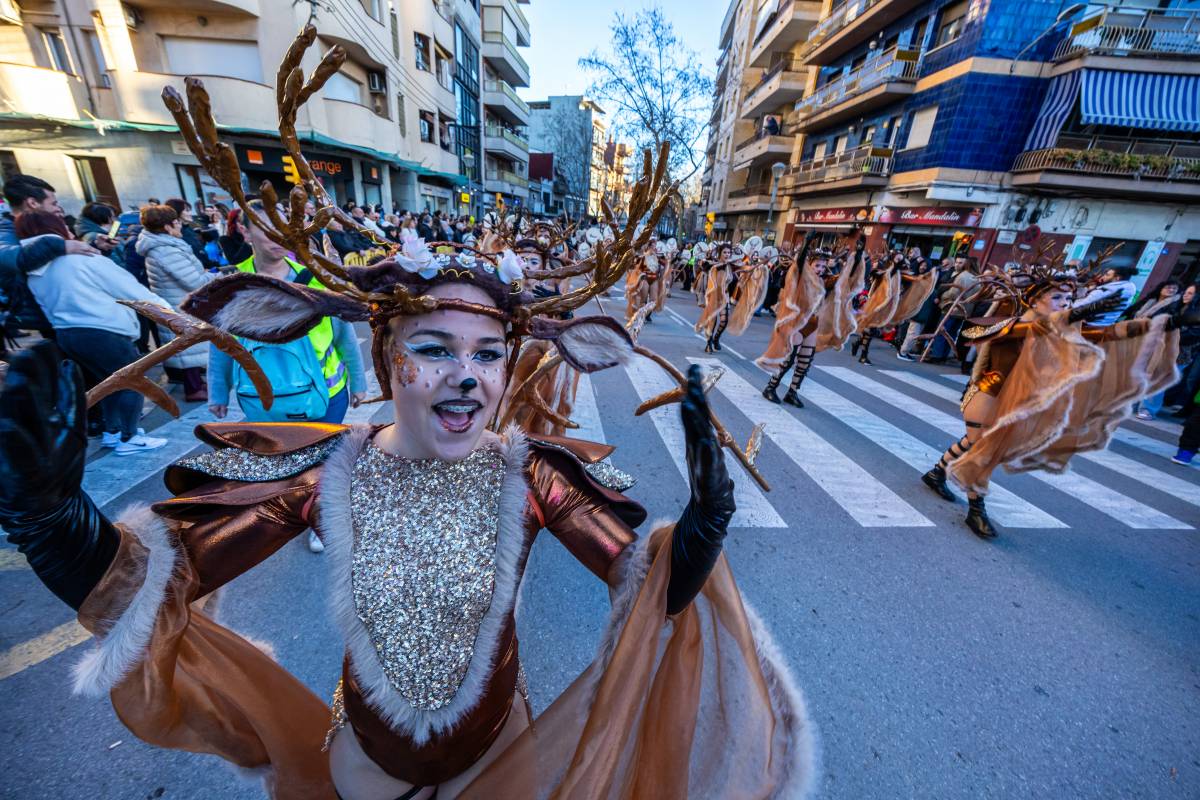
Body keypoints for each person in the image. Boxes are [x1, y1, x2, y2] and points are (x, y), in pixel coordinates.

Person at [0, 204, 811, 800]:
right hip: (365, 771)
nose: (468, 375)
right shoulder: (327, 471)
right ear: (391, 366)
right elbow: (156, 587)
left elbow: (649, 588)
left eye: (488, 355)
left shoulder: (531, 473)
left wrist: (701, 531)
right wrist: (52, 521)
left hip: (503, 762)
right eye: (435, 349)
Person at [923, 264, 1194, 539]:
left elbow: (1108, 334)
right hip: (987, 395)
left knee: (972, 443)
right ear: (1034, 300)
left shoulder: (1060, 330)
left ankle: (935, 474)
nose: (1063, 304)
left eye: (1068, 300)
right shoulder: (1011, 324)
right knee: (986, 450)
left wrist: (1169, 323)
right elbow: (981, 332)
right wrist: (1076, 313)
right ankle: (976, 509)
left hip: (1021, 401)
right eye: (1056, 298)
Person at [14, 209, 168, 454]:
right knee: (133, 380)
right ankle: (128, 437)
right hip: (104, 330)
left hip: (67, 333)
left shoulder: (34, 271)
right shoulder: (83, 259)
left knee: (105, 382)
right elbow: (132, 291)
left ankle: (113, 431)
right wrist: (174, 314)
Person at [1, 175, 100, 347]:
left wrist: (94, 246)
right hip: (49, 317)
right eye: (53, 203)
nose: (57, 209)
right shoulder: (6, 233)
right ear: (32, 203)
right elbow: (17, 258)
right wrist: (59, 244)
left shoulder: (37, 229)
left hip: (67, 314)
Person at [136, 204, 213, 402]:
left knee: (189, 344)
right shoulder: (165, 250)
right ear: (167, 227)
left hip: (180, 300)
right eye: (176, 221)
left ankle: (196, 384)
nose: (180, 224)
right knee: (186, 346)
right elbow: (193, 281)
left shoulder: (164, 245)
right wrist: (214, 277)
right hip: (179, 302)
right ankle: (193, 389)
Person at [1130, 281, 1182, 419]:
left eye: (1174, 288)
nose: (1171, 289)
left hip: (1161, 343)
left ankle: (1148, 409)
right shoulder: (1150, 301)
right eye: (1168, 286)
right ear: (1160, 288)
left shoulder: (1175, 304)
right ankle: (1132, 402)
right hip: (1141, 340)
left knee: (1156, 374)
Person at [164, 197, 217, 269]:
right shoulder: (176, 235)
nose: (190, 213)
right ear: (177, 212)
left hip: (209, 269)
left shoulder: (188, 228)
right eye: (187, 210)